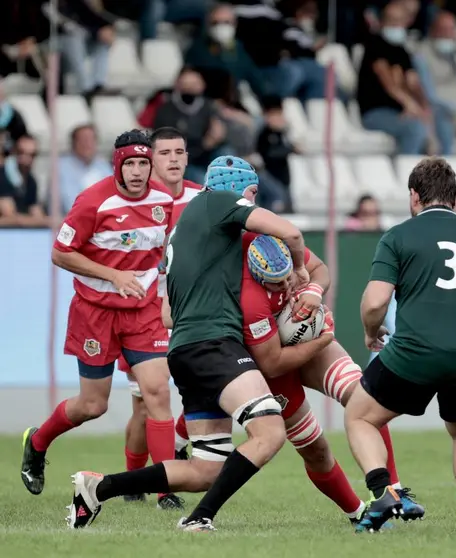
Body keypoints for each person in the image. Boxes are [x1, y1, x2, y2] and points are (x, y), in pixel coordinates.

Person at [66, 156, 309, 532]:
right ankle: (199, 518)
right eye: (252, 193)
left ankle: (100, 488)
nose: (252, 200)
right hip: (214, 345)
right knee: (270, 431)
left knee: (205, 470)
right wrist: (299, 269)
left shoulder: (184, 229)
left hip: (185, 350)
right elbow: (290, 233)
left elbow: (166, 315)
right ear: (238, 187)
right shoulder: (222, 202)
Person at [344, 156, 456, 533]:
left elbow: (376, 301)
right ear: (455, 199)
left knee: (359, 416)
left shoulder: (397, 236)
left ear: (414, 197)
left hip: (413, 356)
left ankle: (384, 492)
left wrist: (370, 332)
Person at [21, 130, 176, 498]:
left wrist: (164, 291)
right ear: (117, 166)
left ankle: (166, 489)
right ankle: (38, 443)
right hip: (95, 313)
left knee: (157, 392)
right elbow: (61, 253)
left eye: (143, 163)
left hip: (143, 312)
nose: (137, 171)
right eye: (130, 164)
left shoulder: (163, 200)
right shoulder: (93, 201)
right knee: (93, 405)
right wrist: (113, 275)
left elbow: (160, 251)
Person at [240, 232, 425, 523]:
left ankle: (393, 491)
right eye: (278, 282)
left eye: (289, 276)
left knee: (365, 397)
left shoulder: (273, 241)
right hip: (273, 365)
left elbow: (320, 270)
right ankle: (359, 514)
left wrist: (313, 291)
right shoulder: (248, 294)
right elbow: (272, 363)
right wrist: (323, 339)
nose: (288, 284)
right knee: (315, 450)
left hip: (306, 344)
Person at [116, 127, 203, 508]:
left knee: (197, 391)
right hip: (144, 312)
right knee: (148, 402)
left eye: (178, 152)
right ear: (150, 158)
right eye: (164, 152)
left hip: (193, 311)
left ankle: (161, 473)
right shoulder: (134, 201)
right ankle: (146, 481)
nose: (172, 159)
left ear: (186, 156)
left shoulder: (204, 199)